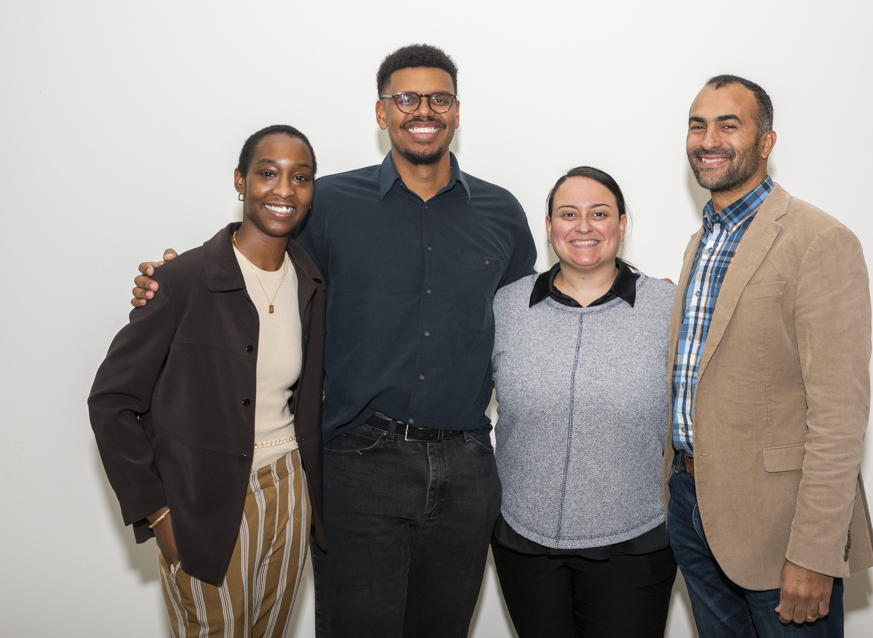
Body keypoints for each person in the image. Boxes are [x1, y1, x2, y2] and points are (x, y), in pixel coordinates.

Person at [129, 45, 537, 637]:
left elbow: (530, 315)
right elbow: (254, 265)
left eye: (438, 98)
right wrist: (165, 281)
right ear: (381, 113)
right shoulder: (328, 206)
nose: (423, 109)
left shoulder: (502, 212)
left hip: (468, 466)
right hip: (357, 462)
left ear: (456, 111)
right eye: (406, 98)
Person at [89, 125, 326, 636]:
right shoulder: (182, 282)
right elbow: (111, 402)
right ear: (240, 182)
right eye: (267, 173)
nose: (284, 190)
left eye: (300, 177)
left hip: (289, 489)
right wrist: (158, 513)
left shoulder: (311, 281)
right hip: (206, 501)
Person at [664, 75, 873, 637]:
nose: (708, 139)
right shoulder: (701, 240)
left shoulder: (819, 240)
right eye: (697, 125)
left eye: (728, 125)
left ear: (766, 142)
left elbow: (839, 417)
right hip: (692, 507)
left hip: (779, 528)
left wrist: (815, 552)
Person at [490, 167, 678, 638]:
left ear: (622, 223)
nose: (584, 226)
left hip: (636, 541)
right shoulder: (506, 306)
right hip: (523, 539)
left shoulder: (668, 307)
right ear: (549, 226)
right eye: (568, 214)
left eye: (599, 214)